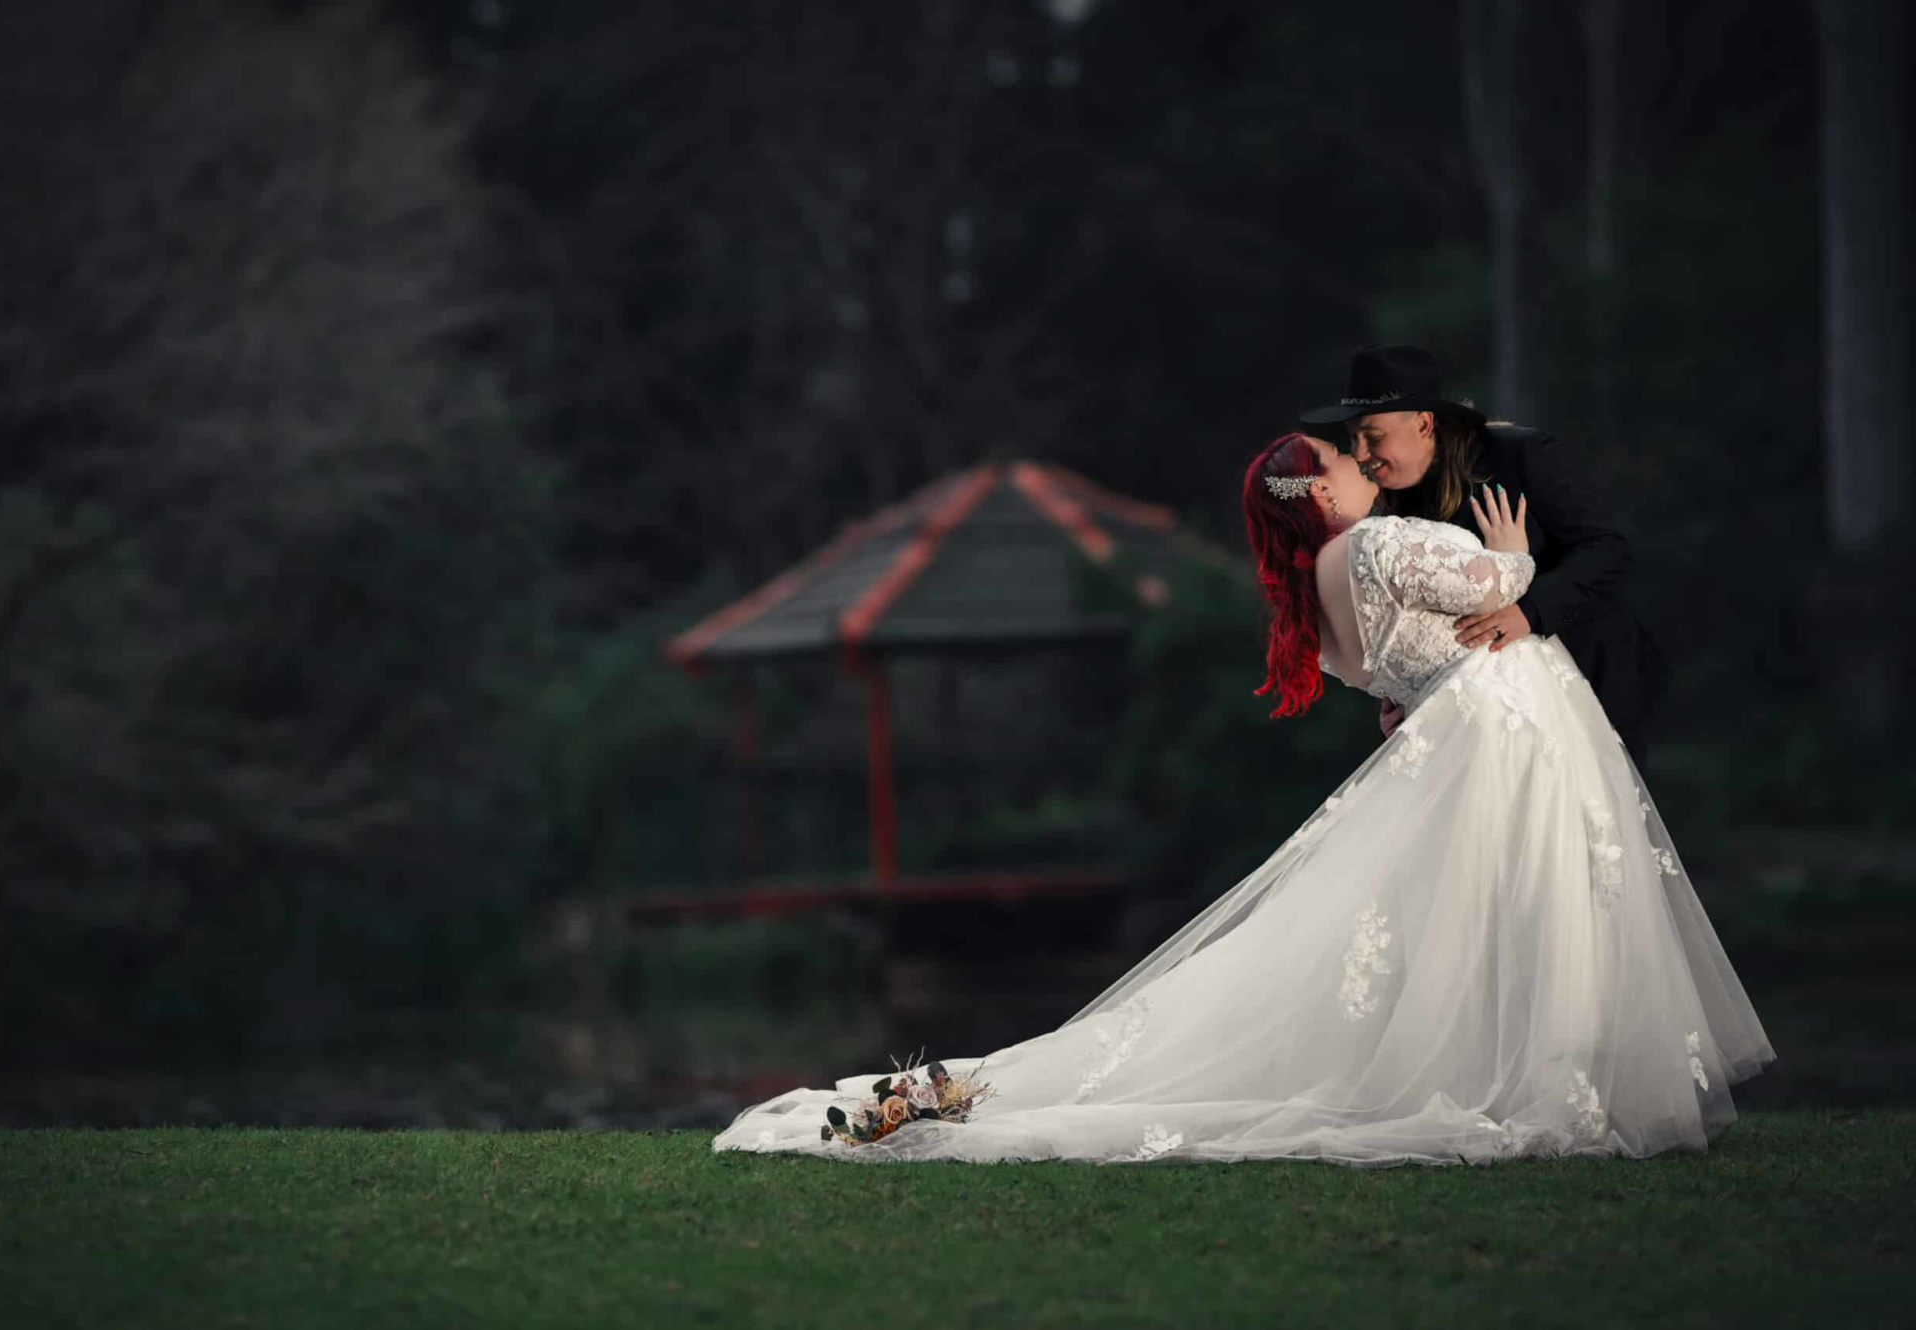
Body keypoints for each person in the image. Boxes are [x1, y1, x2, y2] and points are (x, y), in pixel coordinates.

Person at [712, 432, 1771, 1166]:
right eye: (1338, 466)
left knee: (1472, 918)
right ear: (1313, 495)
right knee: (1520, 903)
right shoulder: (1380, 542)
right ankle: (1551, 1076)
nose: (1359, 470)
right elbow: (1496, 593)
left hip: (1472, 733)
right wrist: (1510, 556)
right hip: (1502, 729)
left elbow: (1386, 674)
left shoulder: (1319, 587)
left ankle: (1547, 1070)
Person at [1300, 344, 1672, 774]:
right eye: (1352, 438)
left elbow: (1608, 550)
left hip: (1595, 679)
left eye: (1373, 435)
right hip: (1491, 714)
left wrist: (1528, 613)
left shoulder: (1521, 455)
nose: (1361, 453)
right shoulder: (1387, 507)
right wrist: (1405, 693)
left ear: (1423, 424)